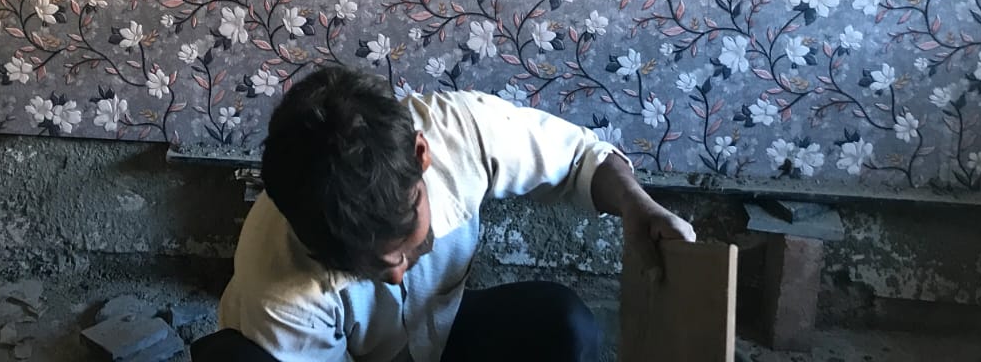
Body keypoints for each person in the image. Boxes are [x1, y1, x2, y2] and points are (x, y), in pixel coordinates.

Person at [194, 64, 696, 362]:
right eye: (362, 263)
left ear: (421, 155)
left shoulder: (459, 131)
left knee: (564, 324)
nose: (395, 274)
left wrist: (637, 205)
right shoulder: (277, 284)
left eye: (405, 239)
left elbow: (580, 158)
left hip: (436, 337)